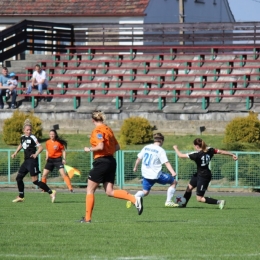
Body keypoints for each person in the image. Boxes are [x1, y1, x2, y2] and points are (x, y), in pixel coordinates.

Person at [78, 110, 143, 223]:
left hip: (101, 162)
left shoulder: (97, 130)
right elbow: (117, 147)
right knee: (109, 191)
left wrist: (89, 149)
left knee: (90, 190)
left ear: (93, 120)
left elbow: (100, 146)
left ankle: (87, 219)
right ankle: (134, 199)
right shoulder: (108, 130)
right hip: (111, 161)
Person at [173, 138, 238, 209]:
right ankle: (183, 204)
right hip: (199, 174)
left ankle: (219, 202)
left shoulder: (196, 154)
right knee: (189, 188)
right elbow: (221, 152)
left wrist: (175, 148)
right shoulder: (209, 150)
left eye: (194, 146)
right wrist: (232, 154)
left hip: (204, 176)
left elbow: (180, 155)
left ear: (196, 146)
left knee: (199, 198)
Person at [126, 133, 179, 208]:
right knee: (174, 182)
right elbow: (166, 163)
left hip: (146, 174)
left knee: (145, 192)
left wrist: (135, 167)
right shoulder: (160, 150)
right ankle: (168, 202)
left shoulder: (146, 147)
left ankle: (133, 197)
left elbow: (139, 158)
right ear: (161, 141)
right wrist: (173, 172)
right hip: (156, 175)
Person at [11, 119, 56, 203]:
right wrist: (15, 153)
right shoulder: (22, 137)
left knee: (35, 181)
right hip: (26, 161)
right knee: (18, 178)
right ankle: (21, 196)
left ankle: (51, 192)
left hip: (32, 161)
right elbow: (21, 145)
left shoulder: (33, 137)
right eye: (27, 130)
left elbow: (41, 147)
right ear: (24, 130)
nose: (29, 131)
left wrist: (36, 154)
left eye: (30, 130)